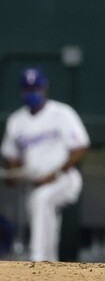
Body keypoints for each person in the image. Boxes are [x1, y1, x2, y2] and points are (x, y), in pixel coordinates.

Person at [1, 67, 90, 262]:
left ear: (44, 89)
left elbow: (80, 147)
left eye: (36, 88)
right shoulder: (16, 121)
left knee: (41, 200)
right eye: (28, 89)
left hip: (64, 178)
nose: (32, 93)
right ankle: (50, 264)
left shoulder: (61, 113)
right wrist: (13, 174)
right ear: (21, 91)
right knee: (42, 209)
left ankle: (37, 259)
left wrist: (54, 173)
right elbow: (11, 160)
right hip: (34, 181)